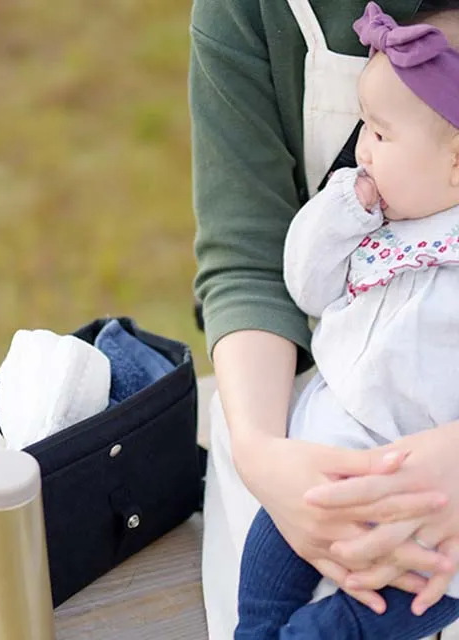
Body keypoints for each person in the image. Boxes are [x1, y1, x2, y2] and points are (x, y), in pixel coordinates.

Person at [189, 0, 459, 638]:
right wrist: (263, 457)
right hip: (334, 439)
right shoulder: (369, 219)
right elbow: (278, 272)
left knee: (403, 592)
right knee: (272, 548)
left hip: (434, 479)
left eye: (381, 134)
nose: (362, 151)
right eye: (362, 125)